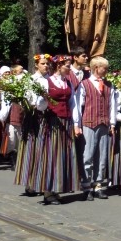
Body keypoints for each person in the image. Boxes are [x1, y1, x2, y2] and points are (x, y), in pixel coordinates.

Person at [31, 55, 80, 205]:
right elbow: (39, 105)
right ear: (59, 66)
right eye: (67, 65)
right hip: (52, 122)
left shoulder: (68, 83)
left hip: (66, 122)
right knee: (51, 155)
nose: (69, 68)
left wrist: (76, 123)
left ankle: (57, 188)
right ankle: (47, 191)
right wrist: (43, 98)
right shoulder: (47, 82)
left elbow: (74, 104)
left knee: (63, 155)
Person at [73, 56, 116, 201]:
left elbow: (112, 105)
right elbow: (79, 106)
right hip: (89, 123)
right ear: (96, 68)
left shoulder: (109, 85)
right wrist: (77, 124)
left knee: (102, 156)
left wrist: (112, 123)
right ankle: (87, 185)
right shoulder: (84, 84)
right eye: (104, 67)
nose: (106, 70)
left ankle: (99, 185)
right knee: (88, 155)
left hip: (103, 123)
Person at [14, 54, 51, 196]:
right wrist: (31, 104)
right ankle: (30, 183)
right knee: (32, 149)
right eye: (43, 63)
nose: (46, 66)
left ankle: (42, 182)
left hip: (47, 117)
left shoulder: (50, 79)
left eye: (47, 63)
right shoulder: (31, 79)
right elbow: (26, 98)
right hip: (33, 117)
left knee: (44, 150)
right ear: (36, 65)